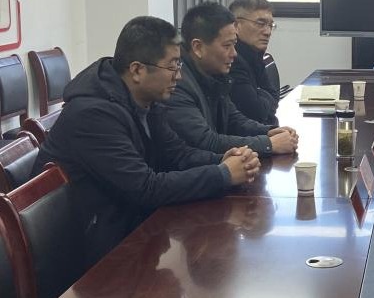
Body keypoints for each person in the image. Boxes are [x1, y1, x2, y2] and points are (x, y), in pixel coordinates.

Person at [32, 16, 261, 265]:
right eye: (172, 66)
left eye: (179, 65)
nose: (179, 76)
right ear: (137, 70)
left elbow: (178, 154)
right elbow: (145, 188)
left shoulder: (144, 99)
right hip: (88, 256)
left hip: (126, 229)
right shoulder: (93, 115)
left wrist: (224, 160)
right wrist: (223, 174)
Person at [165, 2, 298, 157]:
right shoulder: (176, 83)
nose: (234, 53)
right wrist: (268, 144)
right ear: (198, 47)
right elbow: (206, 141)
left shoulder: (214, 73)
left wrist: (269, 132)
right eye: (227, 46)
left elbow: (234, 120)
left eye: (234, 44)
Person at [229, 0, 280, 125]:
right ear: (236, 25)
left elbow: (274, 97)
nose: (268, 32)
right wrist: (263, 95)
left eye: (271, 25)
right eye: (260, 24)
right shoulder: (231, 59)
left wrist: (261, 95)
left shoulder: (255, 55)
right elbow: (256, 112)